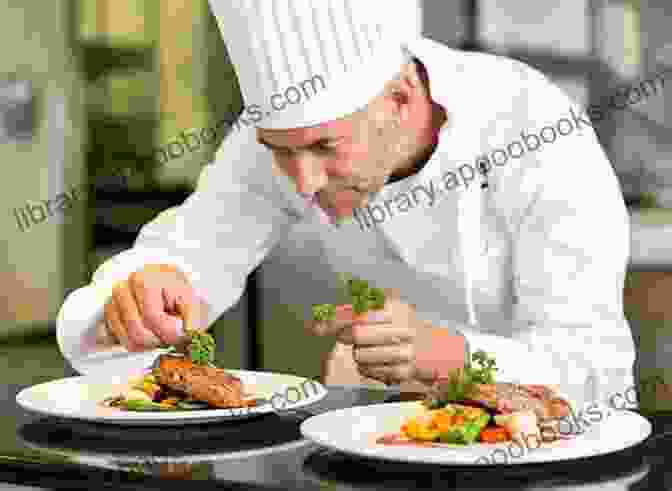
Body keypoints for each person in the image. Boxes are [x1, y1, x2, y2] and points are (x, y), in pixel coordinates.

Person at [56, 1, 636, 411]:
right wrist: (148, 291)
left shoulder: (535, 128)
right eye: (281, 152)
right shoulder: (286, 134)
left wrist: (456, 356)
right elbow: (189, 252)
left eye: (325, 148)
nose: (302, 182)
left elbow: (595, 369)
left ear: (403, 97)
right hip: (384, 441)